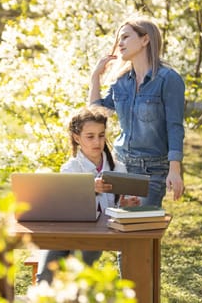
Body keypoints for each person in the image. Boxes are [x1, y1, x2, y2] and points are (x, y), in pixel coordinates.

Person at [35, 106, 140, 284]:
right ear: (77, 138)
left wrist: (126, 206)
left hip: (97, 234)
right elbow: (64, 206)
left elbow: (116, 209)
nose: (97, 142)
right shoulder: (70, 169)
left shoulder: (118, 168)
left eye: (101, 135)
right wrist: (90, 189)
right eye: (90, 136)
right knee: (45, 274)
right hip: (65, 232)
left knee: (78, 269)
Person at [89, 16, 185, 207]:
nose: (120, 44)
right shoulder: (121, 81)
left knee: (139, 228)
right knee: (113, 225)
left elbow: (174, 127)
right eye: (118, 40)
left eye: (125, 37)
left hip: (152, 170)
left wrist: (174, 169)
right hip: (119, 165)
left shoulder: (168, 79)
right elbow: (96, 115)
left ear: (145, 39)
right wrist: (94, 78)